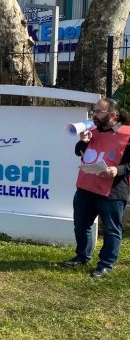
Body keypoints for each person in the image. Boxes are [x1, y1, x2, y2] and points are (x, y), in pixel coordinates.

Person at [62, 98, 130, 278]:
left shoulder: (127, 134)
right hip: (86, 187)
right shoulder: (92, 130)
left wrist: (117, 170)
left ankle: (106, 264)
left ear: (113, 115)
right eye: (94, 111)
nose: (94, 115)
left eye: (99, 111)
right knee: (81, 225)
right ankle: (82, 256)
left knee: (111, 229)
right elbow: (78, 152)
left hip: (112, 192)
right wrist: (83, 142)